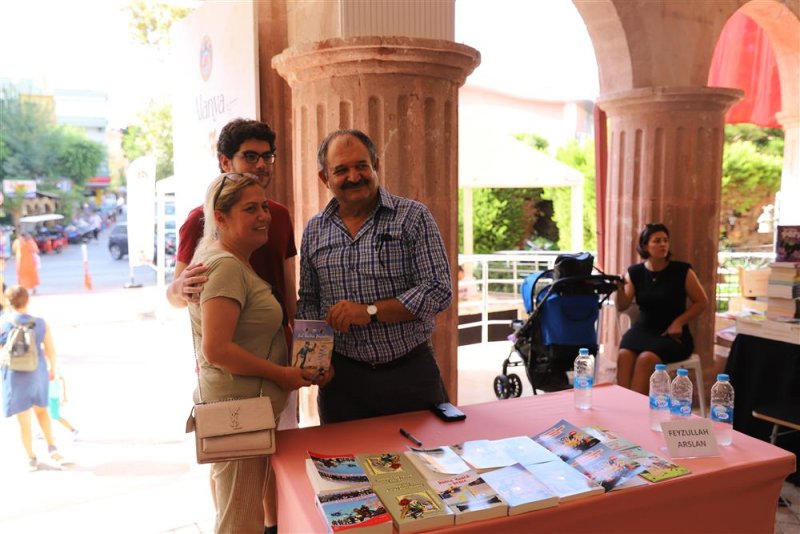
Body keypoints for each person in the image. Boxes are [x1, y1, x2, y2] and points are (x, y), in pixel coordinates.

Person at [166, 119, 298, 533]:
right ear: (225, 161)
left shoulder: (275, 218)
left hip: (264, 381)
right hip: (240, 391)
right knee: (238, 505)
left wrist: (299, 354)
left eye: (266, 156)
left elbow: (287, 292)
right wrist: (177, 287)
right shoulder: (207, 236)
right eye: (249, 156)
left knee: (261, 482)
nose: (260, 164)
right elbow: (190, 305)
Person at [297, 128, 453, 424]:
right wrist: (315, 362)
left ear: (376, 166)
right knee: (347, 467)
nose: (354, 177)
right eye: (341, 170)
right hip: (343, 383)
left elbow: (438, 290)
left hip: (411, 375)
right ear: (324, 179)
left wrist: (369, 312)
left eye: (361, 166)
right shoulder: (314, 230)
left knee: (429, 466)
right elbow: (309, 300)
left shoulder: (413, 217)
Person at [188, 172, 314, 533]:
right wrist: (281, 375)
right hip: (237, 413)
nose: (264, 216)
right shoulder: (225, 265)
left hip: (246, 410)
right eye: (250, 209)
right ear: (221, 217)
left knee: (244, 514)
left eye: (263, 207)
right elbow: (216, 349)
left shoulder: (232, 260)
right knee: (239, 520)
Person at [615, 223, 708, 394]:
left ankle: (637, 413)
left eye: (665, 240)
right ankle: (623, 409)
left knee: (646, 359)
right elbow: (622, 305)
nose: (663, 244)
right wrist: (619, 288)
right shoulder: (634, 272)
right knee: (624, 355)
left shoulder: (682, 270)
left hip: (671, 334)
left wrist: (679, 322)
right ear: (645, 246)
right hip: (643, 329)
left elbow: (702, 302)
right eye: (657, 241)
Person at [1, 285, 64, 470]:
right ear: (27, 300)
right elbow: (51, 351)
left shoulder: (3, 324)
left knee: (23, 420)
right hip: (37, 372)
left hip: (14, 375)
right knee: (42, 411)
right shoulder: (41, 323)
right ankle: (52, 446)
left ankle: (31, 457)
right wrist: (53, 369)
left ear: (8, 302)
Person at [49, 369, 79, 439]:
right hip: (46, 396)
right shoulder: (42, 366)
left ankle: (73, 430)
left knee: (55, 416)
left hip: (53, 397)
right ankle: (44, 432)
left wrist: (64, 396)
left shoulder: (54, 368)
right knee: (44, 414)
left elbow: (62, 381)